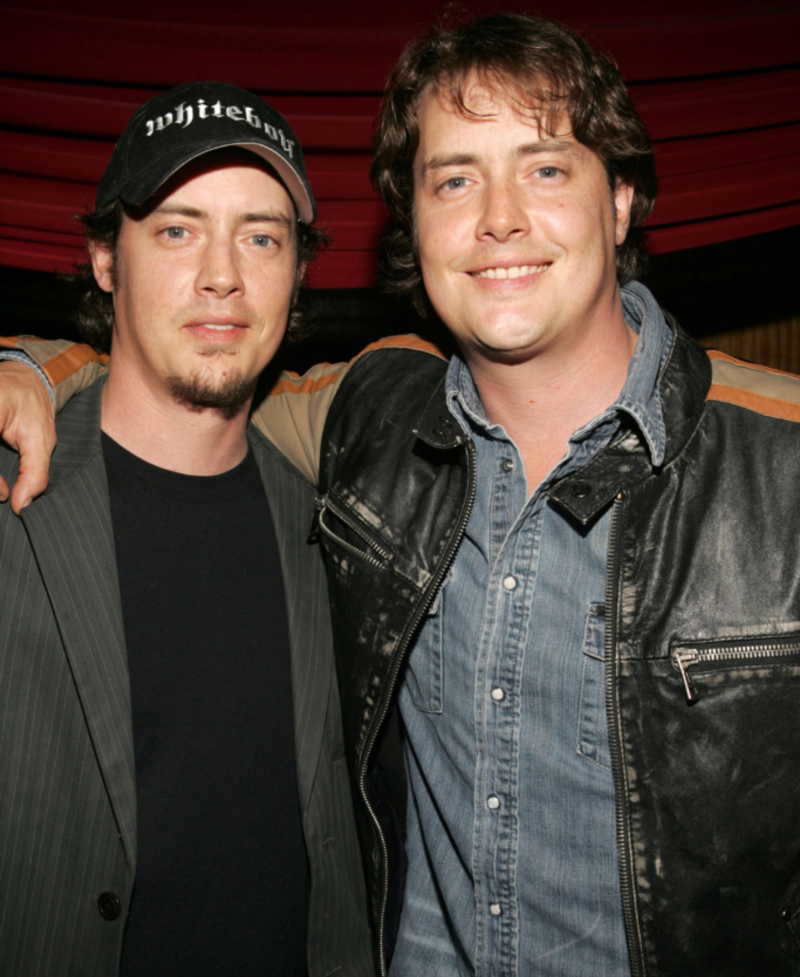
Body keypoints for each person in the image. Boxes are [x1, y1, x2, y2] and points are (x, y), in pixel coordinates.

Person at [4, 14, 800, 977]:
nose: (498, 216)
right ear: (413, 220)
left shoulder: (779, 466)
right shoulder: (372, 418)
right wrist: (34, 367)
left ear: (622, 200)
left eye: (545, 167)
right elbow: (178, 364)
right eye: (456, 178)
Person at [0, 81, 374, 977]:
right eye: (177, 229)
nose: (223, 274)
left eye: (261, 236)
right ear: (104, 259)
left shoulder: (344, 524)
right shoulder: (15, 492)